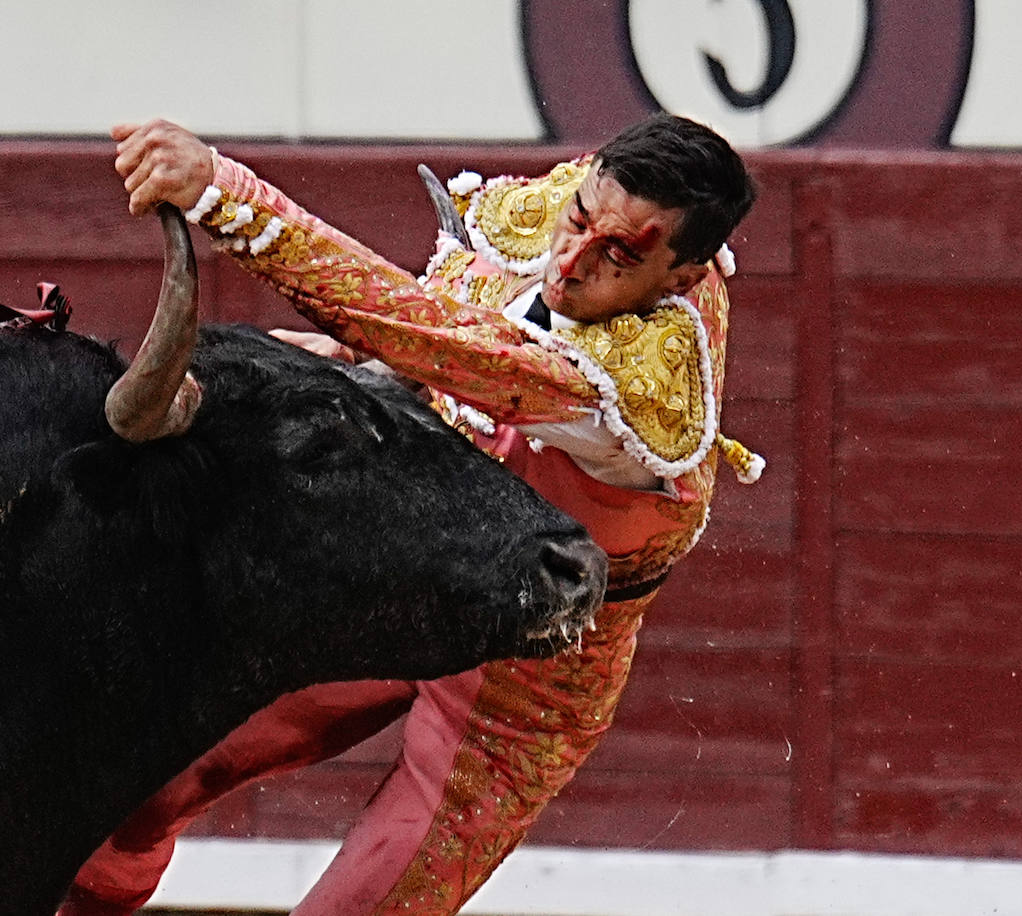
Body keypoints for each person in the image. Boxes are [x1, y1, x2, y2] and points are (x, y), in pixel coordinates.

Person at [58, 113, 763, 915]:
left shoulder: (635, 394)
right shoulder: (602, 203)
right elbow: (463, 302)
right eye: (576, 221)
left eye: (619, 256)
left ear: (681, 277)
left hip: (522, 684)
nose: (570, 260)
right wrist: (362, 358)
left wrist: (226, 191)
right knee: (140, 786)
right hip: (408, 577)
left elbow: (444, 341)